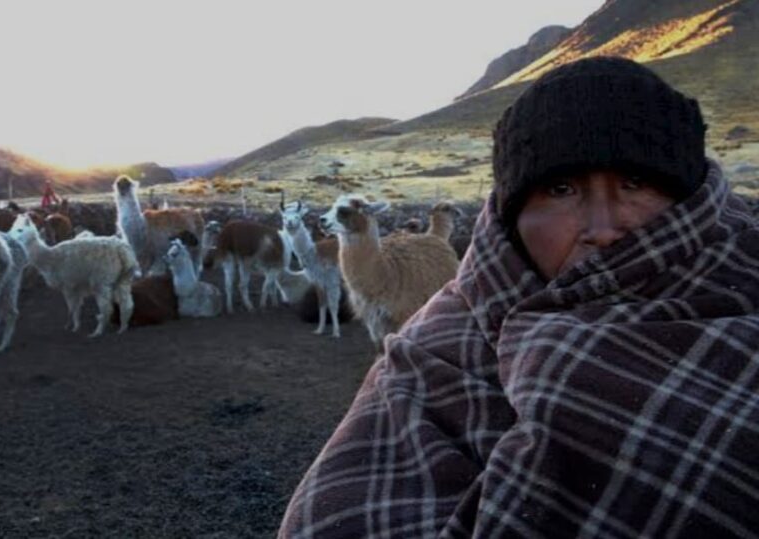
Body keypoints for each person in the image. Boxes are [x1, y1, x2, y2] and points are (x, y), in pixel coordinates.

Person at [279, 56, 759, 538]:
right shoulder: (438, 354)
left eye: (635, 184)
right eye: (562, 188)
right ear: (513, 215)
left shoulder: (742, 299)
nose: (603, 229)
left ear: (692, 201)